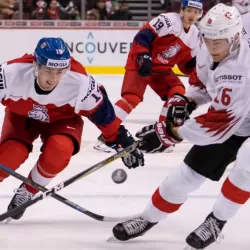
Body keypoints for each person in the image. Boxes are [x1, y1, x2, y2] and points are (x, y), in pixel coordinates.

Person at [112, 4, 250, 249]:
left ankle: (216, 222)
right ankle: (148, 217)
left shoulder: (240, 69)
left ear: (235, 38)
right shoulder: (213, 42)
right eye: (207, 41)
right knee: (185, 175)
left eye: (217, 43)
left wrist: (170, 133)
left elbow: (219, 124)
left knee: (246, 169)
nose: (210, 47)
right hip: (236, 113)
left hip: (236, 115)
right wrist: (187, 101)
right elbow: (202, 81)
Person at [0, 37, 144, 220]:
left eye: (60, 72)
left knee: (59, 150)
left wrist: (122, 143)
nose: (54, 78)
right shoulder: (10, 73)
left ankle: (28, 191)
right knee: (10, 155)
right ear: (36, 65)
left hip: (63, 119)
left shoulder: (80, 83)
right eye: (49, 71)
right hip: (22, 116)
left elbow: (105, 116)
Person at [94, 0, 203, 154]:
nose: (192, 15)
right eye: (189, 10)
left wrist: (200, 74)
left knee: (177, 92)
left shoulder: (195, 35)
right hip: (140, 61)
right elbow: (142, 37)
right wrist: (143, 56)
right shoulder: (168, 21)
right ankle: (106, 137)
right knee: (132, 97)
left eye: (196, 12)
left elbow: (187, 65)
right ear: (183, 10)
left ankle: (162, 137)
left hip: (161, 69)